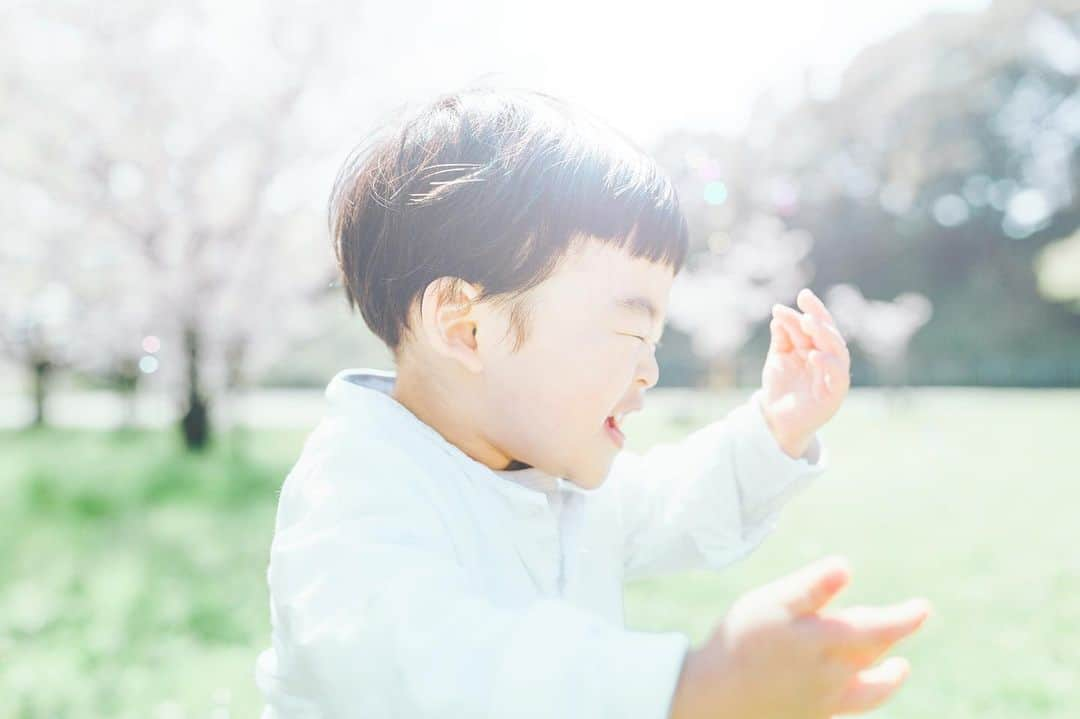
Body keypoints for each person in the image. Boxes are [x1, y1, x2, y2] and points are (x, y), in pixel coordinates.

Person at [254, 87, 931, 718]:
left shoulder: (552, 473)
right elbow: (428, 662)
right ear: (467, 327)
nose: (650, 368)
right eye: (631, 331)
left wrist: (775, 428)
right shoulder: (358, 491)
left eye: (656, 338)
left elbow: (669, 500)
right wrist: (692, 688)